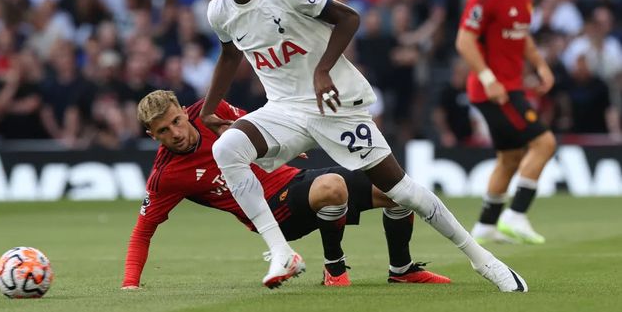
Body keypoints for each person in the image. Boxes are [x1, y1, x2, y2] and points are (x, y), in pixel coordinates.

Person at [199, 0, 526, 291]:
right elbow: (230, 56)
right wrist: (208, 110)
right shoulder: (219, 11)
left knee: (401, 191)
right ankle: (281, 252)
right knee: (226, 148)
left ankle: (485, 260)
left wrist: (323, 70)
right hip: (284, 109)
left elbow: (349, 17)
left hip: (336, 105)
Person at [121, 90, 452, 289]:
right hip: (273, 213)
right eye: (164, 130)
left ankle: (402, 270)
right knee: (333, 187)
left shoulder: (211, 110)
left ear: (182, 111)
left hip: (295, 180)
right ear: (153, 136)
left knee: (397, 189)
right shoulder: (166, 176)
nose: (175, 132)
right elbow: (142, 232)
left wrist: (282, 144)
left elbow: (252, 123)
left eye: (176, 121)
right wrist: (130, 285)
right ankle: (334, 269)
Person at [455, 0, 558, 245]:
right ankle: (516, 215)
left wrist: (540, 65)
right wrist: (488, 78)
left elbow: (521, 34)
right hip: (494, 89)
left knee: (510, 158)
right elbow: (464, 40)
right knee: (544, 143)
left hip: (510, 85)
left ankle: (486, 225)